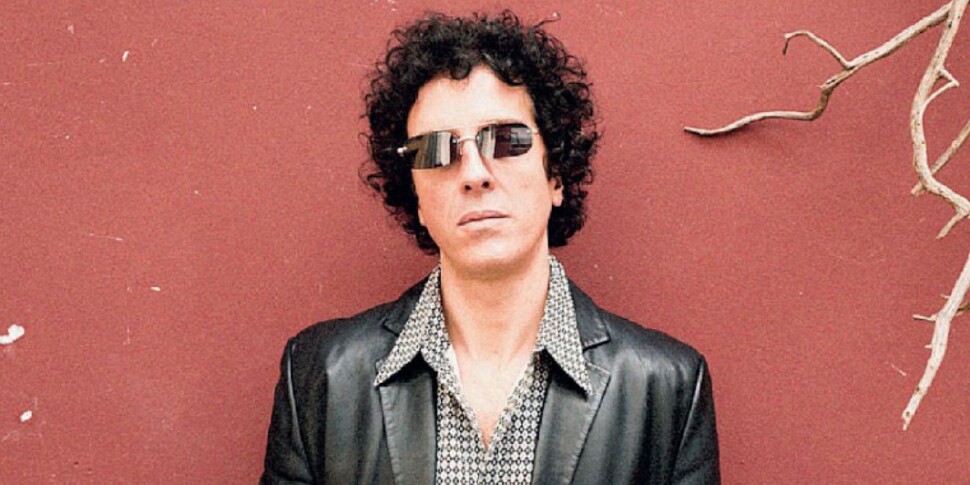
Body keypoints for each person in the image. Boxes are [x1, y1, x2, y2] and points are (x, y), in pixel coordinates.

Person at [261, 10, 719, 485]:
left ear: (556, 174)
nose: (474, 173)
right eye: (436, 149)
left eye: (506, 139)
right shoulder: (320, 377)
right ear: (415, 195)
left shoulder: (666, 389)